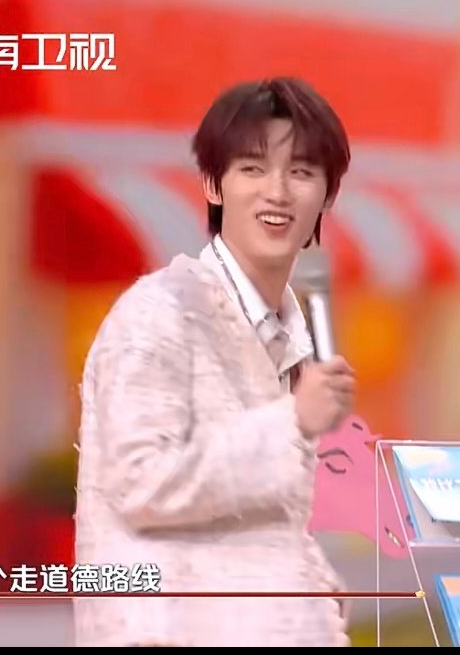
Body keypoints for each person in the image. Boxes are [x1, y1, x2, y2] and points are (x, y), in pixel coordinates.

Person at [73, 77, 356, 647]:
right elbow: (141, 484)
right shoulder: (157, 314)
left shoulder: (288, 333)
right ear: (212, 183)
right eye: (253, 168)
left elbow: (251, 513)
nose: (277, 192)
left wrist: (312, 581)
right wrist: (291, 422)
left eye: (302, 172)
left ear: (327, 195)